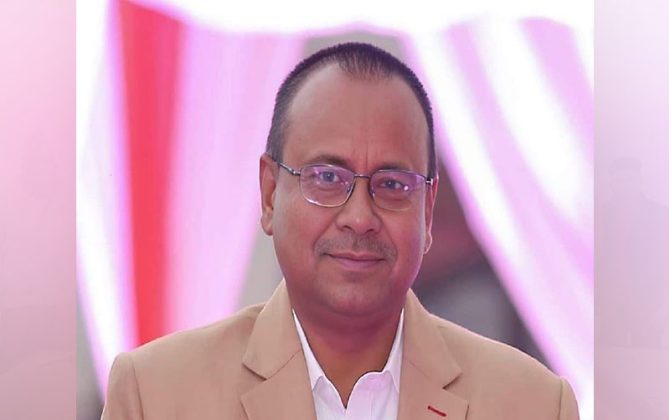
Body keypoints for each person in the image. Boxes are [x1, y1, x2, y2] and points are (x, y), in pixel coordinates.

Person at [102, 42, 580, 420]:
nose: (359, 216)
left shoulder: (532, 404)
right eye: (328, 178)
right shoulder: (156, 394)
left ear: (427, 211)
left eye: (392, 185)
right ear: (270, 194)